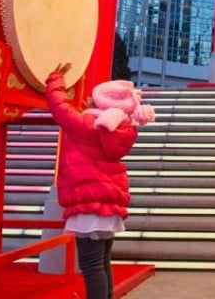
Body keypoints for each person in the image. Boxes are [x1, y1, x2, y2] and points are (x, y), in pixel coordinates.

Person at [45, 63, 156, 299]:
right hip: (107, 207)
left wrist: (56, 79)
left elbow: (59, 107)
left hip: (89, 205)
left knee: (92, 266)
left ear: (99, 102)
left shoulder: (87, 126)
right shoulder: (118, 129)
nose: (84, 100)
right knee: (102, 263)